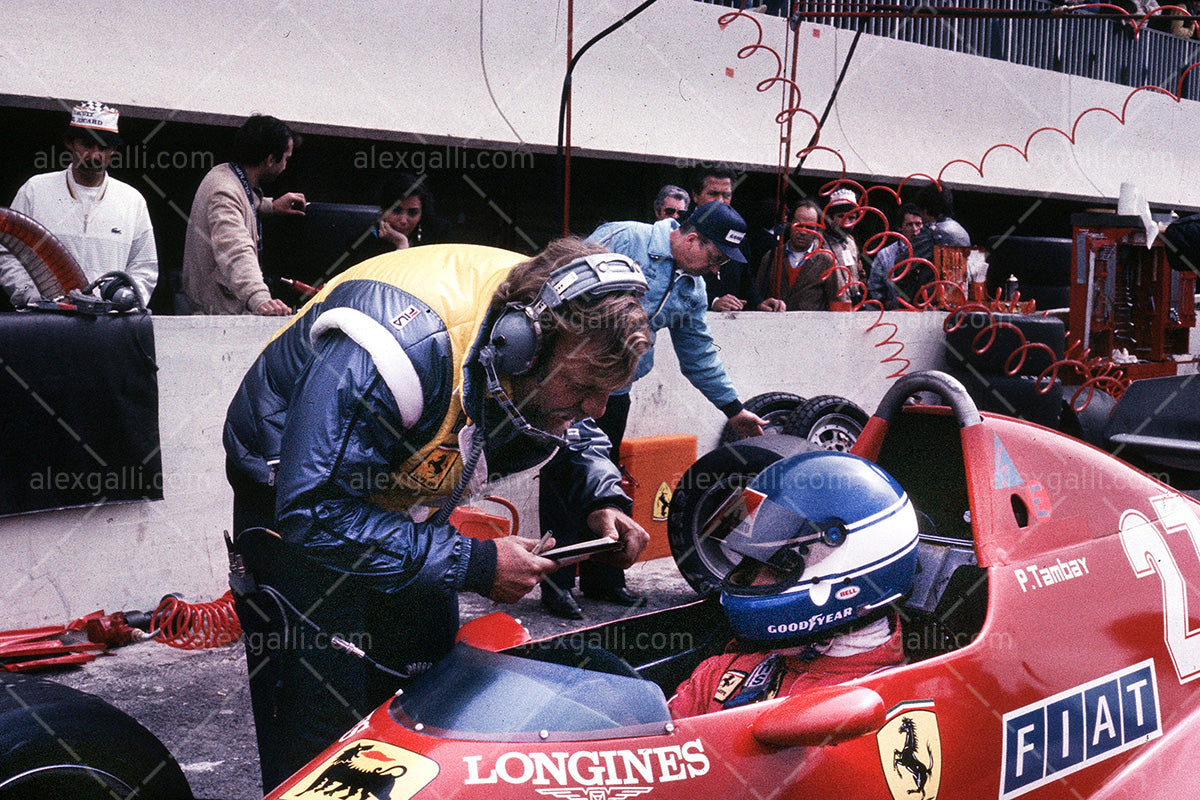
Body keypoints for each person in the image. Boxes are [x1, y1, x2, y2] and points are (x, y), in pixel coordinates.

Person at [223, 238, 653, 790]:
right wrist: (475, 563)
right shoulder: (394, 351)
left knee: (425, 692)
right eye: (584, 388)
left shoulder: (546, 340)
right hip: (295, 499)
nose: (596, 407)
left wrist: (601, 496)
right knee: (321, 719)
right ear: (518, 348)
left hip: (400, 491)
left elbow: (571, 424)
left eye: (608, 392)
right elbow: (315, 509)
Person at [538, 201, 768, 618]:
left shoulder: (692, 289)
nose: (716, 269)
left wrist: (733, 409)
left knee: (606, 478)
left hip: (615, 392)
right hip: (569, 386)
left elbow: (697, 353)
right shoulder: (625, 237)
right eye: (715, 257)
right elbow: (554, 287)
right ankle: (556, 583)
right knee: (563, 477)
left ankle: (604, 578)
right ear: (693, 238)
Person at [668, 450, 918, 718]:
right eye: (750, 563)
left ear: (848, 574)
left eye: (780, 567)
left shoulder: (880, 710)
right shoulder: (715, 676)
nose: (751, 582)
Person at [0, 101, 158, 309]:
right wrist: (34, 296)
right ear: (69, 143)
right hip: (45, 321)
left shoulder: (132, 200)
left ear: (113, 150)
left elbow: (144, 266)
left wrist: (122, 301)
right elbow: (7, 253)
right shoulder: (35, 190)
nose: (94, 155)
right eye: (87, 144)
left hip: (106, 326)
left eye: (104, 147)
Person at [181, 114, 307, 315]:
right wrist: (260, 298)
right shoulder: (224, 193)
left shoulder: (224, 176)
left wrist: (271, 206)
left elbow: (243, 202)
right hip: (217, 321)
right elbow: (235, 249)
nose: (285, 166)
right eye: (285, 159)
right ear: (270, 160)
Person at [755, 199, 842, 310]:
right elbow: (758, 297)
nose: (803, 232)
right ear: (789, 224)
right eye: (798, 225)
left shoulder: (826, 260)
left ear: (817, 229)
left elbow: (838, 302)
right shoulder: (772, 256)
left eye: (810, 227)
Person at [867, 202, 926, 308]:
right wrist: (887, 304)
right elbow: (874, 286)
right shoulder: (885, 255)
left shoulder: (930, 251)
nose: (915, 229)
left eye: (918, 224)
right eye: (909, 224)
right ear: (900, 227)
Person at [822, 187, 864, 294]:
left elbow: (860, 272)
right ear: (830, 218)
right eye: (841, 216)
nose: (847, 223)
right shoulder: (819, 243)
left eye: (852, 218)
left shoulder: (851, 242)